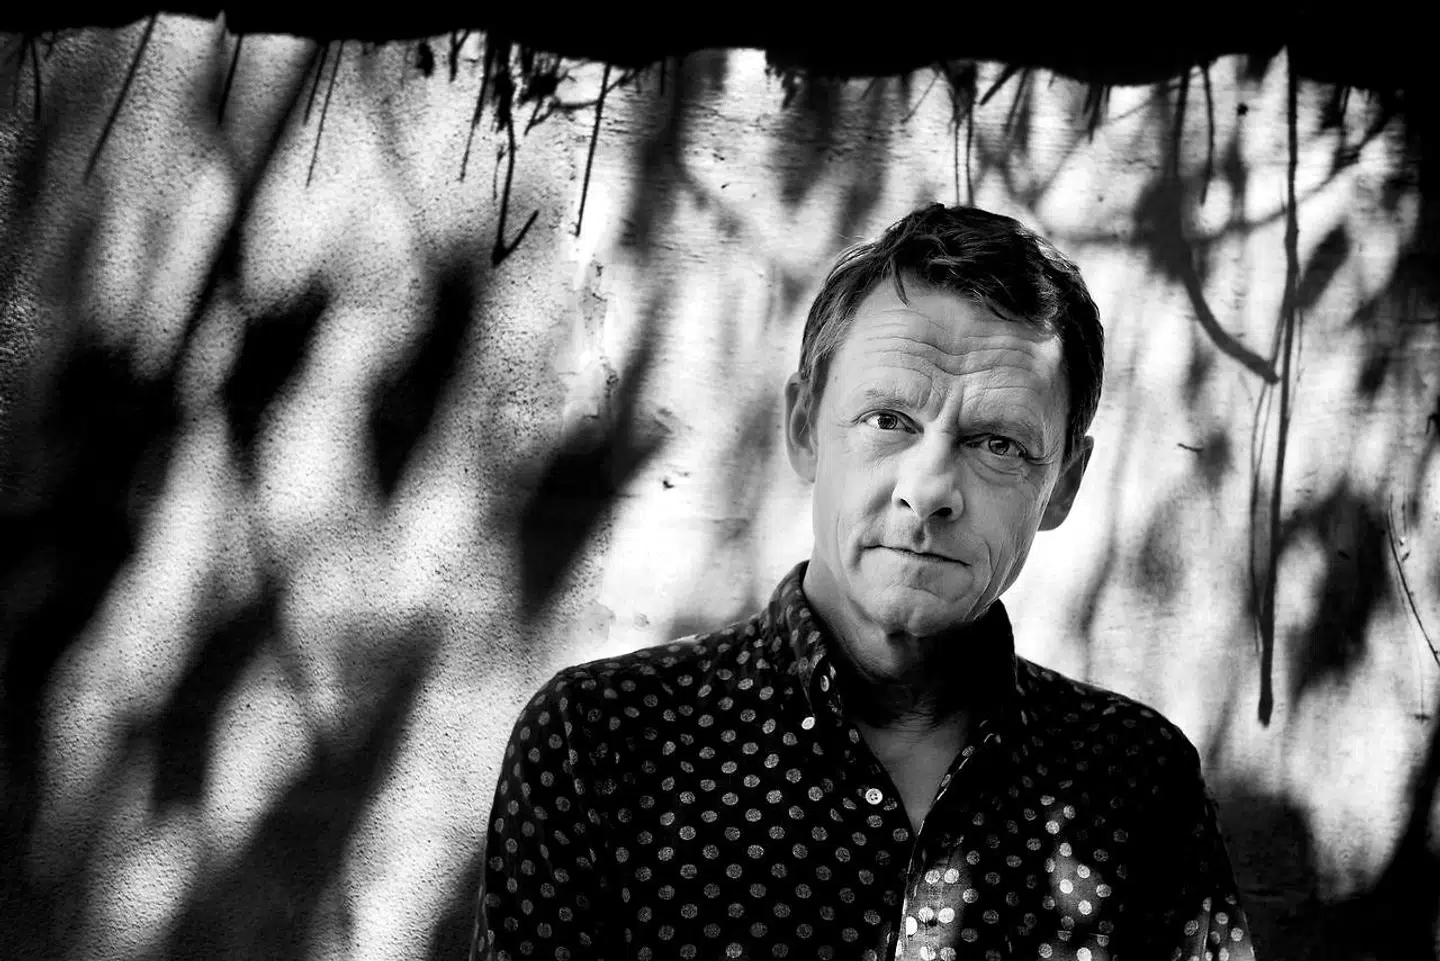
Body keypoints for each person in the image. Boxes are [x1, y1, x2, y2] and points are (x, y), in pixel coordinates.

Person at [471, 203, 1257, 960]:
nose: (930, 489)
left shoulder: (1138, 780)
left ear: (1063, 485)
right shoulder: (602, 744)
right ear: (805, 427)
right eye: (889, 420)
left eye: (997, 443)